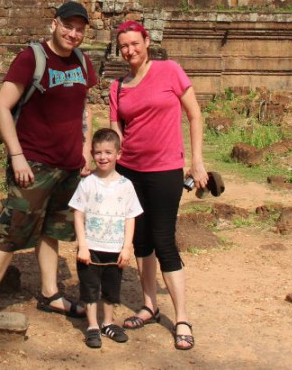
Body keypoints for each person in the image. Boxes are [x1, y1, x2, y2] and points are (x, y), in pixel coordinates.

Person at [0, 1, 98, 334]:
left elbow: (84, 108)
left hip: (69, 166)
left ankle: (50, 293)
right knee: (11, 230)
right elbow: (1, 106)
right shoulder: (32, 58)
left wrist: (85, 148)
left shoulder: (83, 62)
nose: (73, 33)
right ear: (55, 23)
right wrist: (16, 156)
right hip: (33, 164)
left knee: (54, 230)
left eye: (79, 28)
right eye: (68, 26)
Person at [109, 20, 207, 351]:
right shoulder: (117, 86)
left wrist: (197, 161)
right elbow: (116, 133)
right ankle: (150, 304)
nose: (129, 50)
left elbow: (194, 114)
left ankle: (182, 318)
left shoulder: (170, 71)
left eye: (135, 43)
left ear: (147, 41)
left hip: (165, 170)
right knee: (140, 241)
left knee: (165, 240)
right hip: (129, 171)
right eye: (124, 46)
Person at [69, 128, 143, 348]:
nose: (103, 157)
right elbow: (78, 213)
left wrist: (127, 247)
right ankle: (92, 325)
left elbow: (131, 216)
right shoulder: (87, 183)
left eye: (108, 152)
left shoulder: (126, 185)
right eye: (99, 152)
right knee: (90, 288)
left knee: (112, 289)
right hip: (90, 248)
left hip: (115, 248)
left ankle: (108, 322)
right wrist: (82, 245)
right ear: (92, 154)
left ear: (118, 154)